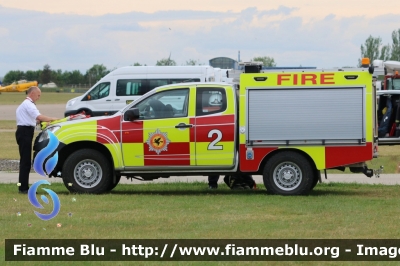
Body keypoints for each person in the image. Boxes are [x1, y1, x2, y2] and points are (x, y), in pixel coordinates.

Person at [15, 86, 58, 193]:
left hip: (24, 132)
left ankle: (23, 186)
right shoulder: (28, 104)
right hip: (25, 132)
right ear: (32, 93)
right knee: (25, 161)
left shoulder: (26, 104)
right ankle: (23, 188)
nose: (39, 97)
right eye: (38, 95)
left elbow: (35, 120)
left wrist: (42, 122)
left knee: (25, 161)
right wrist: (54, 119)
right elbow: (39, 117)